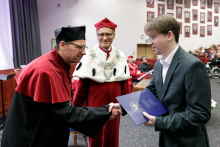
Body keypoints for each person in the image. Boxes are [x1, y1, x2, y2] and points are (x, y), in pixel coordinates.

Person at [1, 26, 122, 147]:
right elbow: (64, 113)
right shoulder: (45, 71)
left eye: (85, 47)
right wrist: (104, 111)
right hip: (30, 138)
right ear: (63, 45)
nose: (84, 52)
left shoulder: (57, 64)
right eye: (80, 47)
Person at [143, 14, 211, 147]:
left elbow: (200, 114)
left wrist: (159, 122)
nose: (149, 42)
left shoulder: (192, 65)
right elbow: (151, 91)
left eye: (153, 37)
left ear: (169, 35)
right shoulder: (159, 64)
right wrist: (124, 107)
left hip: (188, 141)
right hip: (168, 137)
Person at [72, 18, 131, 147]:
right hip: (95, 105)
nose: (105, 37)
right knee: (96, 137)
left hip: (115, 105)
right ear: (97, 35)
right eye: (101, 34)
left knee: (113, 136)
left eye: (108, 34)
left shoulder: (120, 55)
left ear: (114, 35)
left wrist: (128, 106)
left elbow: (125, 84)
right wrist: (74, 109)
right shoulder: (88, 55)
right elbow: (81, 88)